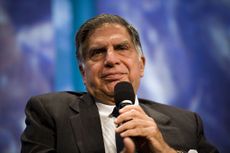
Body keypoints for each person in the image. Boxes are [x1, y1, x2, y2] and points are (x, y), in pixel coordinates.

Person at [21, 14, 219, 153]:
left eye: (121, 48)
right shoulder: (50, 113)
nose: (111, 59)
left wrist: (164, 149)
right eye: (97, 52)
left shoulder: (186, 123)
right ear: (83, 73)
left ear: (141, 65)